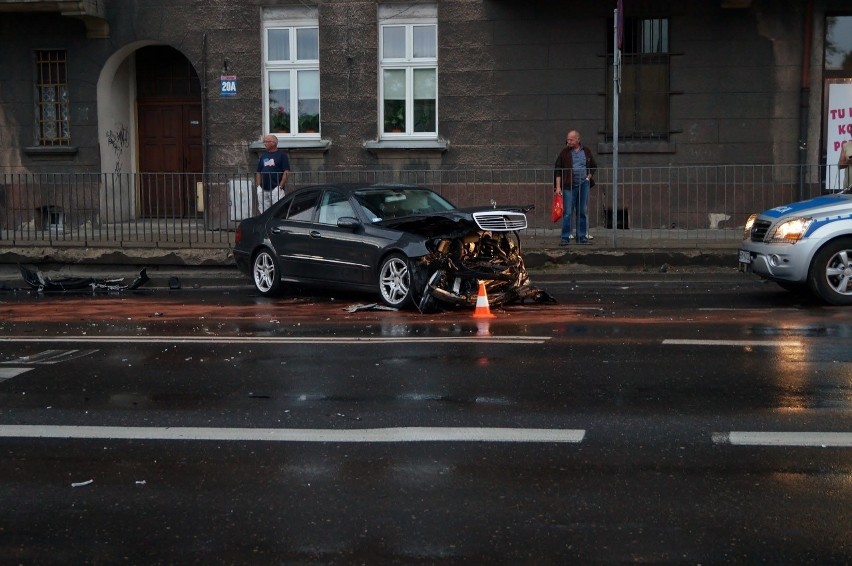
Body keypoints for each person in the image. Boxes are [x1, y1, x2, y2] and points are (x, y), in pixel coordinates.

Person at [553, 130, 597, 245]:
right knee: (567, 212)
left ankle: (581, 237)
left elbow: (593, 166)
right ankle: (565, 237)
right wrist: (558, 187)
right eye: (568, 139)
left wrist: (589, 176)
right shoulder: (564, 153)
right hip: (569, 185)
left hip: (583, 184)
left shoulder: (586, 151)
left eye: (571, 140)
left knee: (582, 211)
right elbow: (557, 169)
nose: (569, 141)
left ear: (578, 139)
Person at [255, 134, 291, 213]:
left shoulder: (282, 155)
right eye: (264, 142)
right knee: (264, 211)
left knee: (278, 210)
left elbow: (286, 171)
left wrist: (280, 186)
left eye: (266, 142)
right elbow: (258, 172)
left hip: (276, 188)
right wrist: (258, 187)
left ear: (273, 143)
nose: (265, 143)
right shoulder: (263, 156)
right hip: (263, 188)